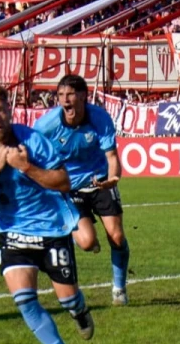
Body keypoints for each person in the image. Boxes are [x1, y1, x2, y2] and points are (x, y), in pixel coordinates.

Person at [0, 84, 94, 344]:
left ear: (10, 111)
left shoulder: (34, 140)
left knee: (68, 299)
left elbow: (63, 182)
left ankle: (79, 310)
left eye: (0, 110)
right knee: (24, 300)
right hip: (12, 232)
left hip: (51, 229)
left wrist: (26, 167)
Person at [34, 75, 131, 306]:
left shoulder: (99, 117)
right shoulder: (47, 125)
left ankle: (119, 289)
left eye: (70, 95)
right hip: (68, 187)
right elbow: (32, 153)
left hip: (99, 180)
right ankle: (84, 238)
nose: (65, 100)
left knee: (116, 236)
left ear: (83, 96)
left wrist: (113, 178)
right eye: (60, 95)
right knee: (88, 243)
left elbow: (112, 157)